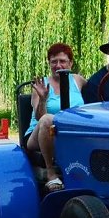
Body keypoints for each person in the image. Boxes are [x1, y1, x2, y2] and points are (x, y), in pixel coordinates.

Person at [25, 43, 86, 192]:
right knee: (48, 119)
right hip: (39, 135)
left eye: (62, 61)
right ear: (49, 63)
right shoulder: (41, 85)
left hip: (69, 134)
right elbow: (40, 117)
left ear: (70, 63)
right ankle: (50, 173)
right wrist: (43, 99)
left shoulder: (78, 81)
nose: (58, 65)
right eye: (54, 62)